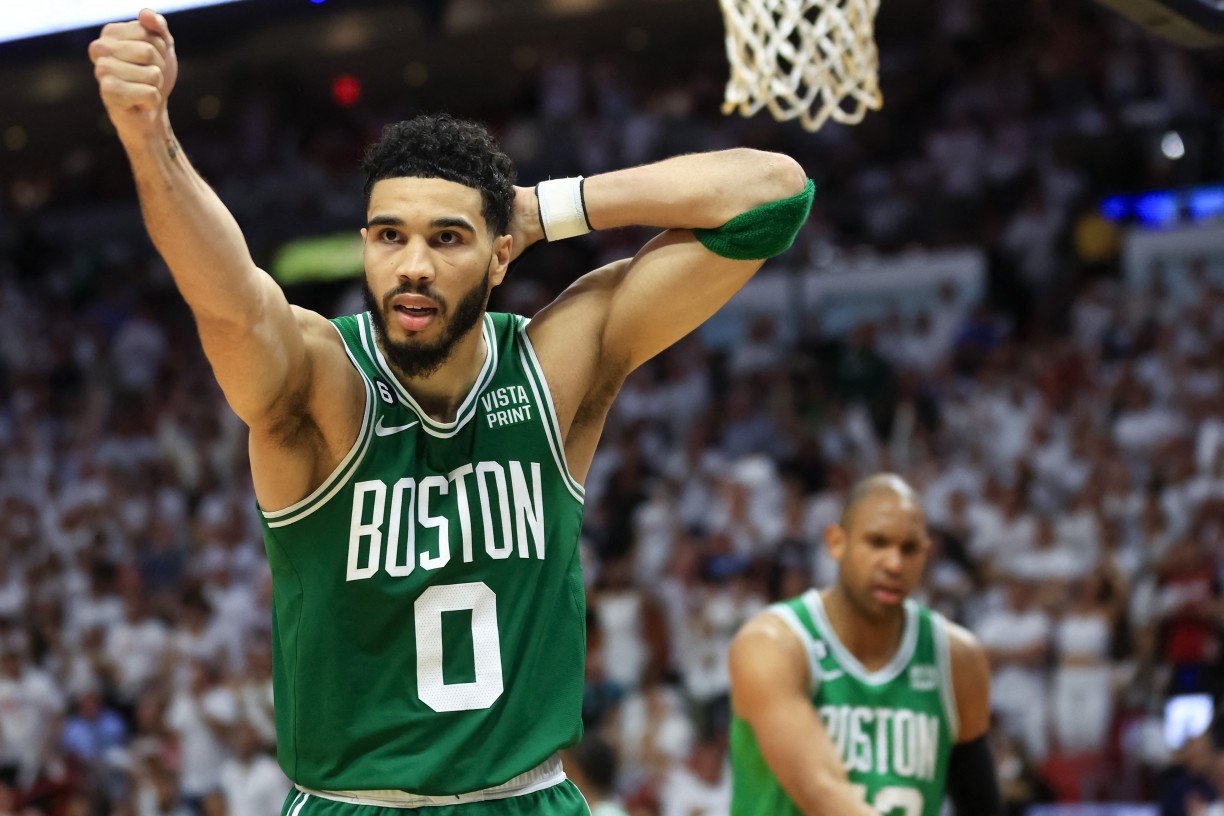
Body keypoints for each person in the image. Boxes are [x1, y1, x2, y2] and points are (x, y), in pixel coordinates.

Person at [88, 8, 811, 815]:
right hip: (352, 802)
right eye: (388, 235)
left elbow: (771, 198)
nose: (414, 266)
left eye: (449, 238)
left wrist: (543, 207)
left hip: (527, 796)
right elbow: (228, 300)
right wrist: (151, 141)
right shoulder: (324, 384)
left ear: (502, 252)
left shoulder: (553, 370)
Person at [728, 474, 1001, 815]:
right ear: (836, 542)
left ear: (926, 554)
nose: (894, 564)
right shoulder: (773, 644)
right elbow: (823, 793)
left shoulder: (957, 658)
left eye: (909, 548)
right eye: (877, 542)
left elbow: (982, 806)